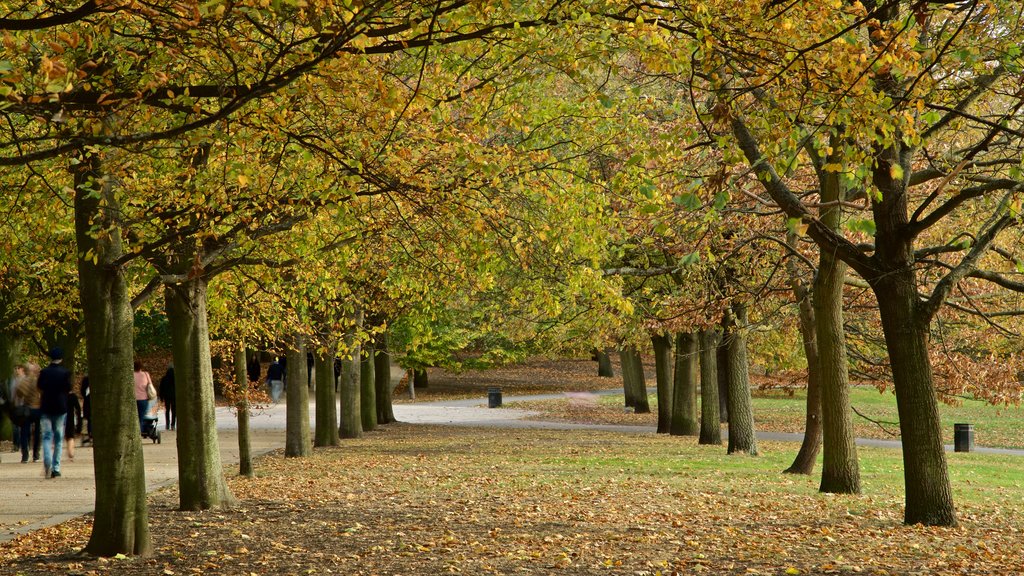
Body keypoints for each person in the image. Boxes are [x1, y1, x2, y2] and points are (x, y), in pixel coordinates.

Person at [37, 347, 72, 478]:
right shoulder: (65, 373)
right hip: (60, 408)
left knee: (46, 436)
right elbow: (68, 388)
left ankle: (47, 461)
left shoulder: (44, 372)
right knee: (58, 438)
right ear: (61, 358)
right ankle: (56, 468)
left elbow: (39, 387)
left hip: (46, 407)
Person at [14, 363, 41, 464]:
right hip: (38, 408)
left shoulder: (23, 382)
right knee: (38, 432)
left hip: (26, 409)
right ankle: (36, 455)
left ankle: (25, 455)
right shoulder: (38, 381)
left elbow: (19, 394)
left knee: (24, 432)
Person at [133, 360, 155, 433]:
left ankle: (136, 431)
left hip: (133, 400)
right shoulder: (145, 374)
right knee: (141, 416)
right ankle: (140, 431)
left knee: (134, 417)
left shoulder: (130, 375)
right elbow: (150, 385)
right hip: (143, 399)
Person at [64, 383, 83, 461]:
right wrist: (79, 422)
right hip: (71, 417)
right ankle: (71, 452)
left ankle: (69, 451)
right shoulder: (73, 397)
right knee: (70, 436)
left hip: (61, 417)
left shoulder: (61, 396)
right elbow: (78, 409)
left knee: (67, 436)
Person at [159, 363, 176, 431]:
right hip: (174, 396)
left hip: (167, 396)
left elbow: (161, 388)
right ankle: (173, 424)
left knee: (167, 410)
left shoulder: (164, 378)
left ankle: (167, 424)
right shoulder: (176, 378)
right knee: (174, 410)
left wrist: (161, 397)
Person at [80, 375, 92, 446]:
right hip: (91, 402)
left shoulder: (86, 378)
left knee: (88, 419)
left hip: (87, 402)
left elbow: (82, 391)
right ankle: (90, 436)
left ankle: (88, 435)